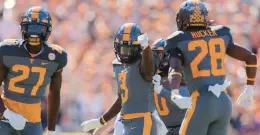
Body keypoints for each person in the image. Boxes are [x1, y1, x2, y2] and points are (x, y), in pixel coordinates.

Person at [152, 0, 257, 135]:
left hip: (202, 101)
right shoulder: (221, 33)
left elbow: (175, 69)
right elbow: (251, 57)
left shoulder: (178, 40)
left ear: (181, 19)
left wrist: (174, 93)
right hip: (224, 103)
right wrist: (249, 88)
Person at [81, 23, 166, 135]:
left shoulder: (143, 63)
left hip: (143, 121)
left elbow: (148, 72)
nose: (124, 53)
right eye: (122, 49)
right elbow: (121, 100)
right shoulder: (119, 66)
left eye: (129, 49)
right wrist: (101, 120)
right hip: (127, 121)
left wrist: (146, 48)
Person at [0, 6, 68, 135]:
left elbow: (54, 94)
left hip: (32, 119)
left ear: (47, 30)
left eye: (39, 28)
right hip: (5, 117)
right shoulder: (7, 50)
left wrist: (51, 128)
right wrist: (5, 112)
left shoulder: (56, 57)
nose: (34, 33)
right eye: (31, 28)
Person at [152, 38, 189, 135]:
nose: (155, 59)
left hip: (185, 129)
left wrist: (161, 91)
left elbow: (186, 102)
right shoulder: (154, 78)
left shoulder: (176, 79)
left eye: (158, 55)